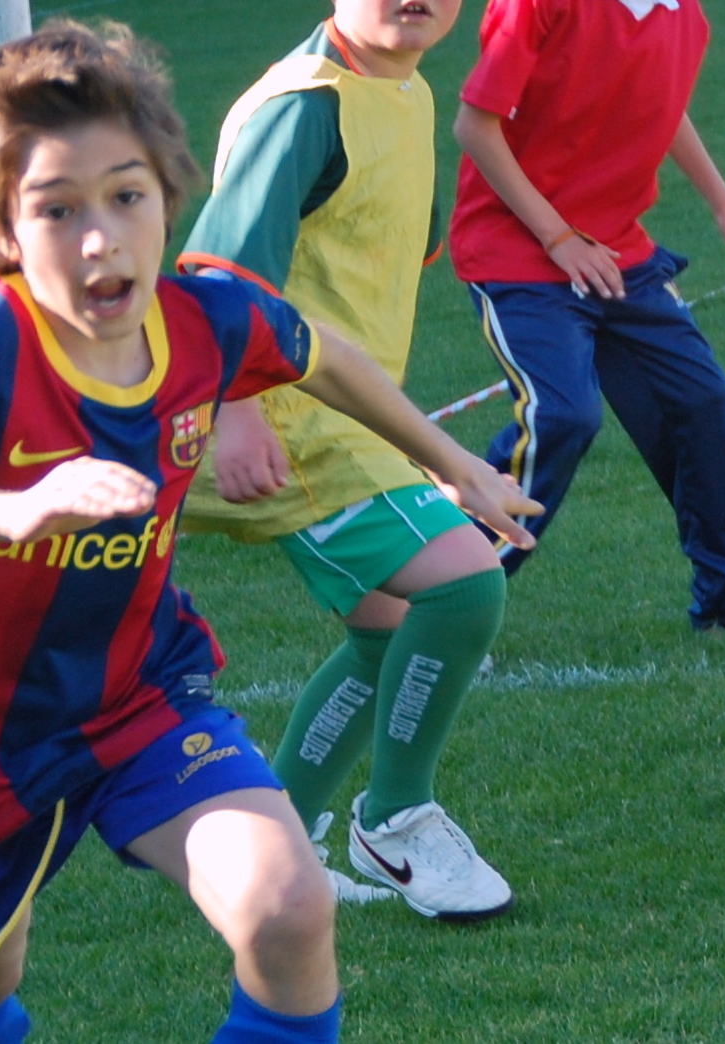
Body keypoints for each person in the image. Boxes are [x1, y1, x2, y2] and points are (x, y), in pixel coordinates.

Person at [0, 22, 537, 1041]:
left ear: (168, 197)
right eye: (57, 209)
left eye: (126, 196)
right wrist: (15, 509)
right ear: (0, 224)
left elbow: (324, 355)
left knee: (287, 906)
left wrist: (453, 464)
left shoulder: (206, 319)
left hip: (136, 698)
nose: (101, 238)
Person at [175, 0, 515, 921]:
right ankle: (395, 817)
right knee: (464, 584)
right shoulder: (303, 106)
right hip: (284, 411)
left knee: (385, 630)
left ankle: (276, 844)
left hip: (345, 411)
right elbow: (213, 280)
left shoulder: (402, 92)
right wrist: (238, 411)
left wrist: (413, 445)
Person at [448, 0, 725, 636]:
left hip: (617, 252)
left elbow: (660, 106)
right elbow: (474, 126)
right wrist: (559, 237)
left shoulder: (684, 16)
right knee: (562, 415)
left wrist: (724, 204)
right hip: (518, 253)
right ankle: (449, 601)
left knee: (700, 401)